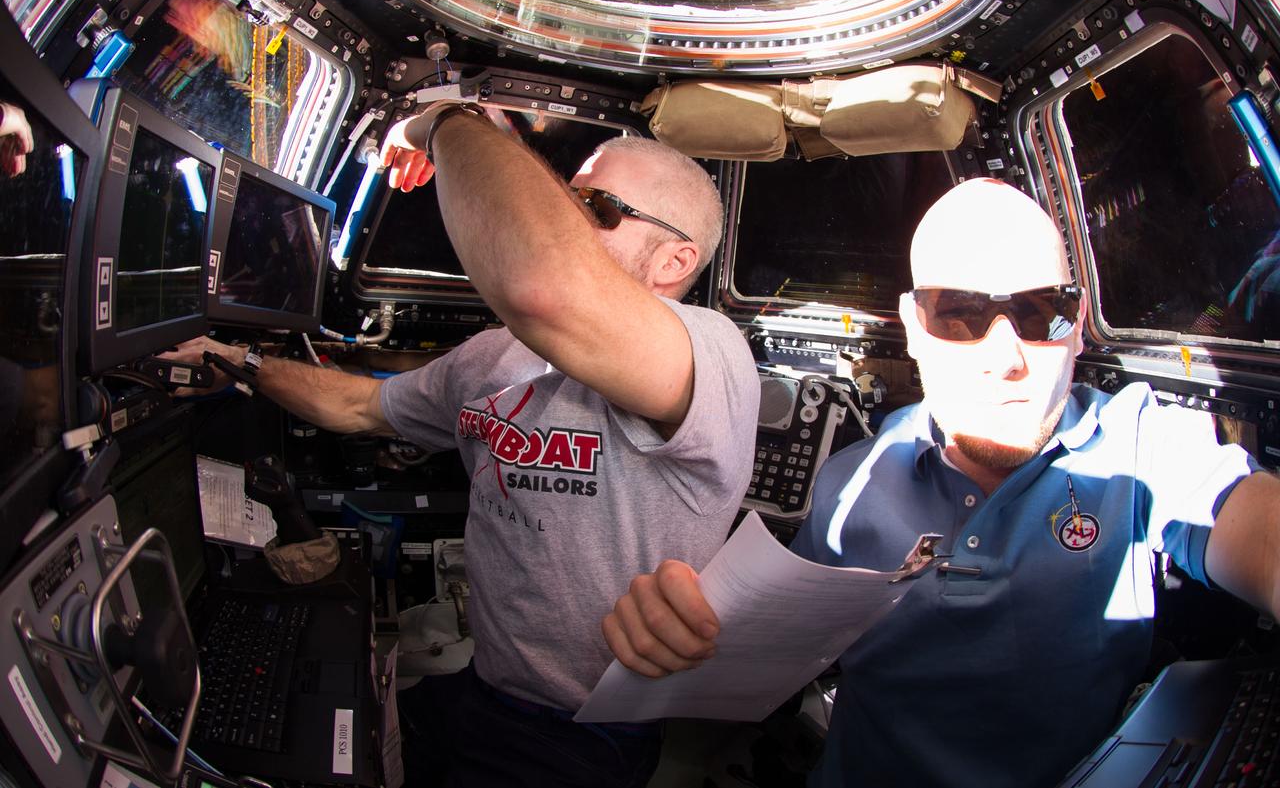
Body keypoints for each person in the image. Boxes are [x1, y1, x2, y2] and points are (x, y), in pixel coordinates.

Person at [603, 178, 1280, 788]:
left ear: (1076, 330)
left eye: (1041, 312)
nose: (1006, 359)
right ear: (913, 328)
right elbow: (761, 656)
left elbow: (1253, 524)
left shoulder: (1137, 447)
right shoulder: (848, 488)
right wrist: (676, 633)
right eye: (959, 314)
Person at [168, 103, 760, 787]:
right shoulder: (493, 358)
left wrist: (443, 121)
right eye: (564, 198)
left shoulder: (711, 352)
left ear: (675, 259)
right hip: (482, 686)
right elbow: (359, 405)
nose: (562, 216)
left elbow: (544, 285)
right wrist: (238, 362)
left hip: (587, 730)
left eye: (594, 207)